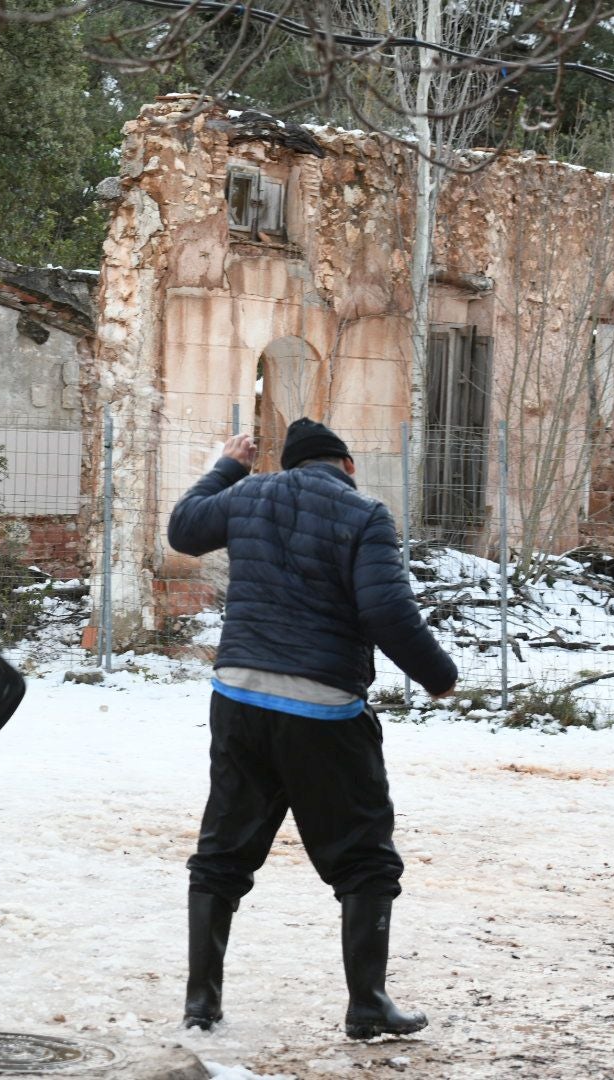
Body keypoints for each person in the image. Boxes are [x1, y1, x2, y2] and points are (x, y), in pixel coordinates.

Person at [165, 418, 456, 1040]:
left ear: (291, 465)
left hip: (239, 695)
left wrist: (227, 466)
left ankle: (201, 1004)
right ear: (346, 464)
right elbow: (385, 609)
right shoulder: (364, 513)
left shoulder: (247, 494)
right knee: (364, 860)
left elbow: (184, 531)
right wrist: (438, 674)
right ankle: (369, 1003)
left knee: (221, 854)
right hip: (322, 708)